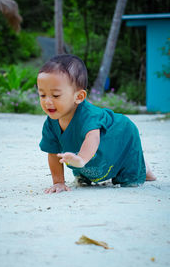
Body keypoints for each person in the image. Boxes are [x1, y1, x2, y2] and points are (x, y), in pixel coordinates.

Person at [37, 54, 156, 194]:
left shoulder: (89, 115)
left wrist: (81, 158)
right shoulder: (51, 123)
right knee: (87, 171)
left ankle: (143, 168)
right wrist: (58, 182)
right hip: (93, 154)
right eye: (42, 95)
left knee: (130, 179)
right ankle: (84, 169)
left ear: (79, 97)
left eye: (55, 95)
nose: (47, 101)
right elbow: (53, 153)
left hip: (120, 134)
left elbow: (92, 138)